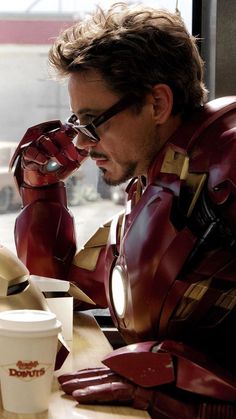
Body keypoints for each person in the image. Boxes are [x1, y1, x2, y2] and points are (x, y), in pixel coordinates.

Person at [10, 3, 236, 418]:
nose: (80, 144)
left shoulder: (226, 163)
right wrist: (42, 194)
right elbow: (60, 292)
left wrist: (204, 392)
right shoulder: (160, 184)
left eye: (93, 121)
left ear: (157, 104)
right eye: (76, 123)